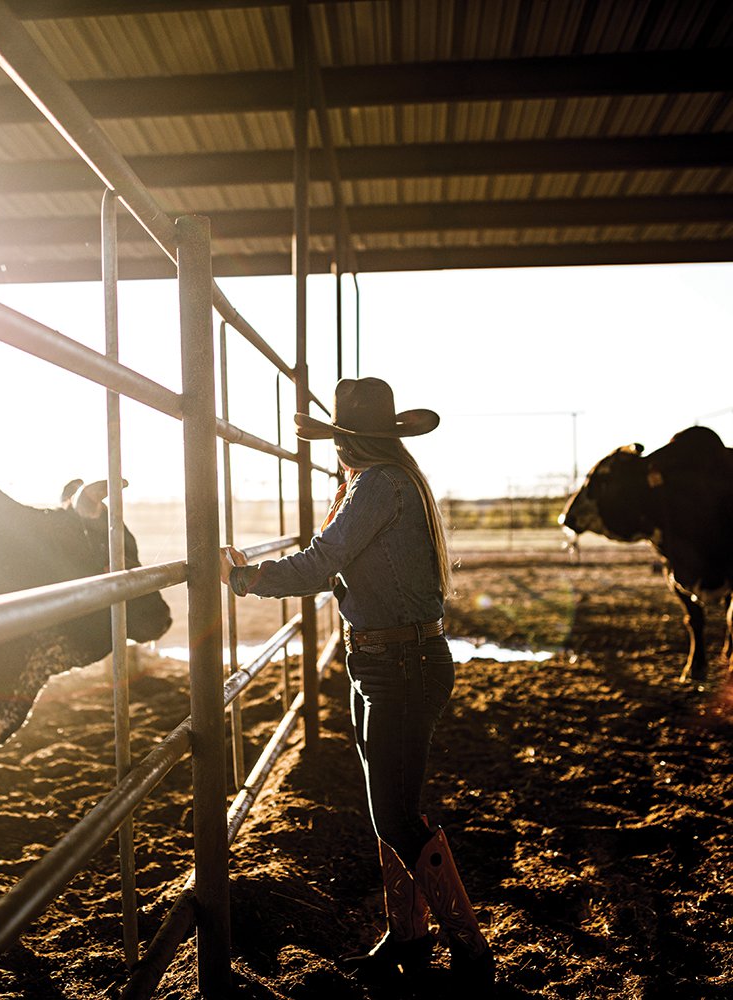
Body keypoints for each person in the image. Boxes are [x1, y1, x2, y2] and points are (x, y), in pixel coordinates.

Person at [220, 377, 495, 989]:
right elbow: (337, 568)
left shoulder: (377, 486)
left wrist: (246, 578)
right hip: (383, 661)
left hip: (399, 666)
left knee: (395, 815)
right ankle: (408, 938)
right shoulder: (391, 484)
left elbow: (320, 564)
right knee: (389, 812)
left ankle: (469, 948)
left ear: (347, 442)